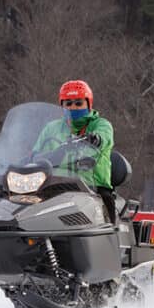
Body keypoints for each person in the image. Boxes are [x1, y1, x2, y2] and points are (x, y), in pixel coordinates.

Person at [33, 79, 115, 215]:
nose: (73, 107)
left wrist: (96, 139)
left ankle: (112, 226)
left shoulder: (101, 124)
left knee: (106, 207)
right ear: (62, 105)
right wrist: (31, 159)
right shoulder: (51, 128)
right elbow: (37, 155)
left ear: (89, 104)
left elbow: (104, 136)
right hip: (55, 184)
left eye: (78, 103)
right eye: (68, 103)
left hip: (92, 186)